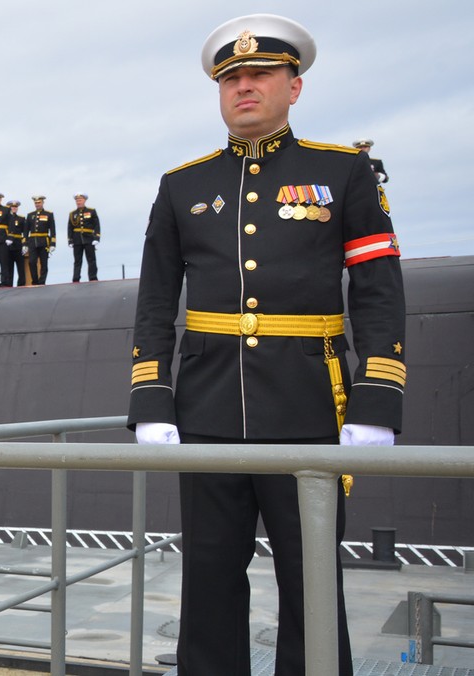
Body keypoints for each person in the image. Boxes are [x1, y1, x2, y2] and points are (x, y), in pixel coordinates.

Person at [127, 14, 405, 676]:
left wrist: (377, 395)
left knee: (311, 582)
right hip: (207, 410)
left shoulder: (343, 174)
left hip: (311, 408)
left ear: (294, 87)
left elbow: (377, 289)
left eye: (260, 75)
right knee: (210, 579)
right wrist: (151, 395)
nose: (244, 87)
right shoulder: (182, 186)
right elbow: (158, 300)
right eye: (232, 79)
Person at [68, 193, 100, 282]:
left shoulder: (91, 211)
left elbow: (96, 225)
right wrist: (70, 240)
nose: (78, 202)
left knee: (91, 259)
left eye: (80, 200)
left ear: (84, 200)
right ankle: (76, 278)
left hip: (89, 238)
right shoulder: (72, 214)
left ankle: (93, 277)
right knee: (77, 260)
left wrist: (96, 238)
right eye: (77, 200)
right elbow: (70, 227)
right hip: (77, 239)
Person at [26, 196, 56, 285]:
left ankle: (42, 281)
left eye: (39, 202)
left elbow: (53, 230)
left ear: (43, 203)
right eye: (36, 203)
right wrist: (25, 243)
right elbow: (26, 230)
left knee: (44, 263)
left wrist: (53, 243)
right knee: (31, 262)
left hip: (44, 241)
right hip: (32, 241)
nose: (37, 204)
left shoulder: (48, 214)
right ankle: (35, 281)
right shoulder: (30, 215)